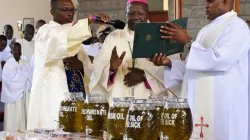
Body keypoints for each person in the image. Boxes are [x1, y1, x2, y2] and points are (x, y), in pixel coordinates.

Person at [149, 0, 250, 139]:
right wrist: (169, 64)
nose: (206, 5)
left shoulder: (237, 27)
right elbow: (194, 67)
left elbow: (219, 61)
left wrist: (188, 41)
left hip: (223, 110)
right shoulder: (205, 30)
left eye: (210, 1)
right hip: (199, 109)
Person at [28, 0, 110, 129]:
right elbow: (59, 39)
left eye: (72, 10)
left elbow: (89, 70)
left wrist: (81, 67)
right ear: (52, 11)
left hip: (78, 98)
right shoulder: (45, 32)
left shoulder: (75, 40)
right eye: (66, 10)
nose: (70, 14)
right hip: (54, 97)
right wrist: (88, 21)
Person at [90, 0, 171, 103]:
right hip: (119, 100)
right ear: (126, 14)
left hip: (149, 102)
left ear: (147, 14)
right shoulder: (113, 37)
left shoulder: (160, 37)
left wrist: (145, 76)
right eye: (131, 13)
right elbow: (98, 68)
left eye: (140, 13)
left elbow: (171, 71)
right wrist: (112, 69)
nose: (135, 17)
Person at [1, 42, 32, 131]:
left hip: (22, 97)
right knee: (13, 119)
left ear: (21, 51)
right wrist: (22, 77)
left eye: (18, 49)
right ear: (11, 51)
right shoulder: (8, 64)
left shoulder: (25, 63)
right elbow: (8, 81)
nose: (16, 51)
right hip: (12, 97)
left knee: (21, 116)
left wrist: (24, 77)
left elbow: (30, 77)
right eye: (14, 49)